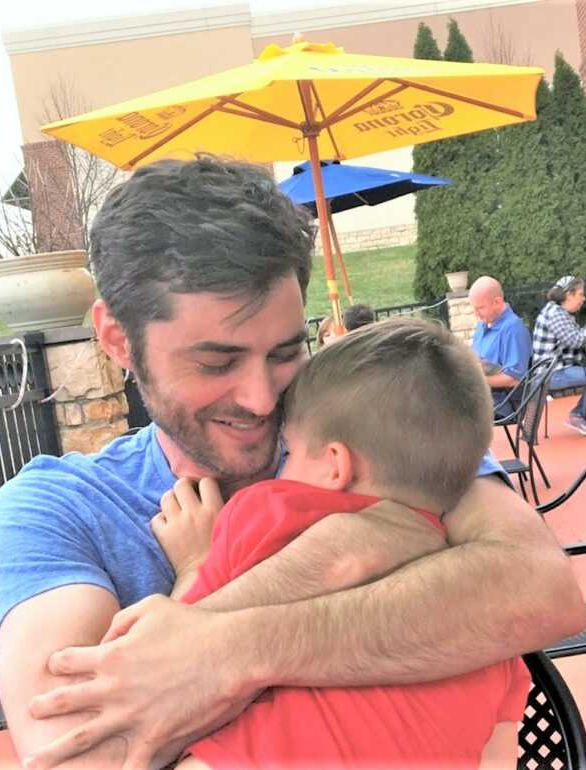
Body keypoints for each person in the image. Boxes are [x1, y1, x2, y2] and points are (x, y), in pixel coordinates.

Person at [0, 156, 584, 770]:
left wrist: (227, 650)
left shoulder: (371, 427)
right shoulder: (60, 508)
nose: (261, 397)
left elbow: (542, 591)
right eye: (216, 362)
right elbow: (78, 759)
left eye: (285, 351)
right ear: (116, 339)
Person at [149, 318, 529, 770]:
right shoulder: (494, 632)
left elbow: (172, 661)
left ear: (335, 465)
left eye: (290, 450)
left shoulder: (269, 512)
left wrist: (195, 561)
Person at [532, 276, 586, 436]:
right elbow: (574, 341)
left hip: (561, 366)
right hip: (552, 372)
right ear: (569, 294)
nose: (583, 298)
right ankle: (580, 416)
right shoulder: (556, 314)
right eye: (581, 294)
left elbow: (573, 336)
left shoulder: (559, 311)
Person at [468, 276, 532, 420]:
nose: (476, 313)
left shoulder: (513, 329)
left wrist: (475, 380)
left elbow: (514, 379)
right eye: (473, 308)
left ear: (497, 302)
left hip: (505, 404)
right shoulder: (482, 325)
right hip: (483, 395)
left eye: (480, 308)